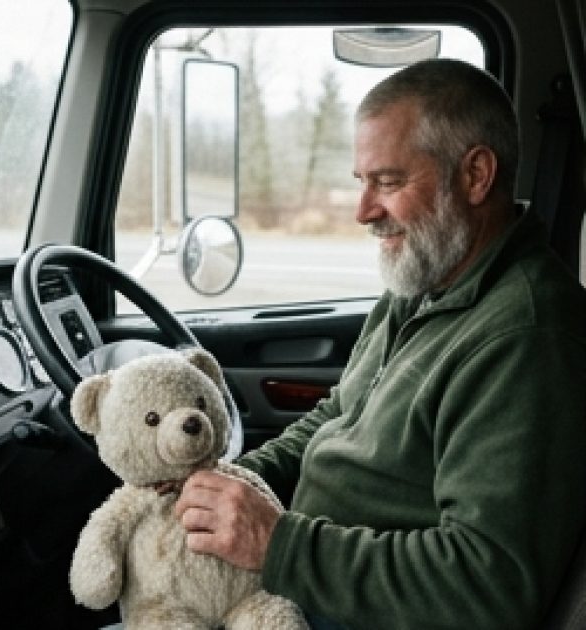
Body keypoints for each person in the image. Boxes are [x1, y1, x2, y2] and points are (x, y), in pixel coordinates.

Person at [173, 58, 586, 629]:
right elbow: (340, 414)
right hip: (299, 590)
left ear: (475, 176)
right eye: (361, 183)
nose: (364, 211)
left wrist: (278, 544)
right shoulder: (425, 280)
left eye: (388, 182)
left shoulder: (525, 338)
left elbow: (487, 584)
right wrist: (231, 482)